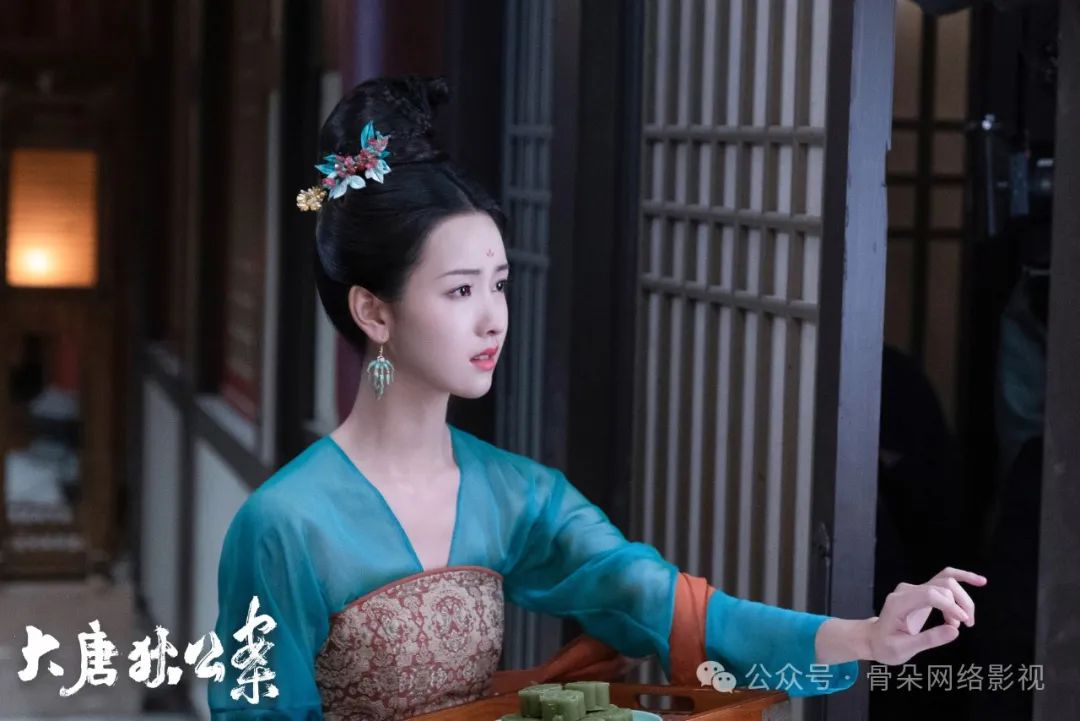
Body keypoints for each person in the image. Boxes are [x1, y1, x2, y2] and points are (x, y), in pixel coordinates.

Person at [208, 75, 986, 721]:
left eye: (500, 284)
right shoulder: (285, 525)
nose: (493, 317)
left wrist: (864, 636)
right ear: (373, 310)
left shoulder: (515, 495)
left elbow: (661, 603)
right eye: (460, 290)